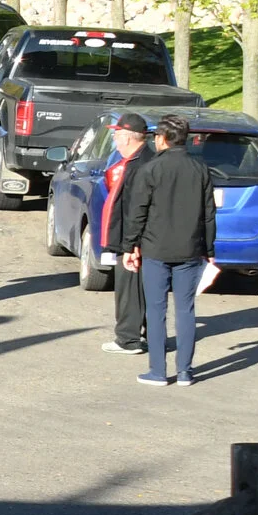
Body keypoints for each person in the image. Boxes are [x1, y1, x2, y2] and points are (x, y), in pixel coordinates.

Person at [121, 114, 215, 387]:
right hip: (190, 249)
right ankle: (185, 371)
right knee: (186, 310)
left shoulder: (150, 169)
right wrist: (209, 249)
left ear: (161, 138)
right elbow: (209, 214)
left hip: (155, 248)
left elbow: (137, 212)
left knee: (156, 310)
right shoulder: (200, 169)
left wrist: (129, 246)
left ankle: (158, 371)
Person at [96, 114, 154, 356]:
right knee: (142, 289)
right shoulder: (139, 160)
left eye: (116, 135)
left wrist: (132, 244)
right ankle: (149, 336)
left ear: (128, 138)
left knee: (129, 289)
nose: (115, 140)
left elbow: (137, 208)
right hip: (136, 238)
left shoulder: (140, 165)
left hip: (133, 240)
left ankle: (128, 339)